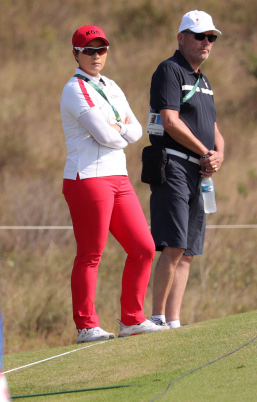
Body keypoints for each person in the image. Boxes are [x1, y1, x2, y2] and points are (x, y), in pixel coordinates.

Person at [60, 25, 168, 343]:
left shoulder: (111, 84)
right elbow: (108, 135)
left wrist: (115, 127)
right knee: (91, 253)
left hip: (117, 176)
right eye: (88, 50)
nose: (96, 56)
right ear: (76, 53)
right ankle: (86, 326)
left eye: (101, 49)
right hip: (87, 177)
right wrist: (117, 128)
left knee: (144, 248)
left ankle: (132, 319)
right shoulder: (74, 88)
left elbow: (135, 131)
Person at [148, 11, 224, 329]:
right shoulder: (170, 70)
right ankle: (157, 317)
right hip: (174, 164)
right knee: (174, 244)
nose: (206, 42)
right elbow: (170, 120)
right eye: (200, 36)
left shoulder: (203, 80)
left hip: (199, 171)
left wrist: (218, 154)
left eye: (211, 37)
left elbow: (214, 128)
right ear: (182, 38)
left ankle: (174, 322)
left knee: (189, 250)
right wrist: (205, 152)